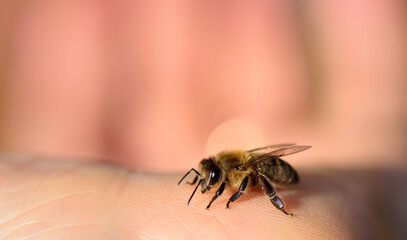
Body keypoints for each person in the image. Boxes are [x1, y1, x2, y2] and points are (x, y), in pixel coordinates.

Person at [0, 1, 405, 239]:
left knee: (261, 180)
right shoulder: (223, 165)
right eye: (209, 180)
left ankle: (281, 206)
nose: (208, 182)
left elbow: (256, 172)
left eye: (211, 180)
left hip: (286, 175)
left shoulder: (241, 168)